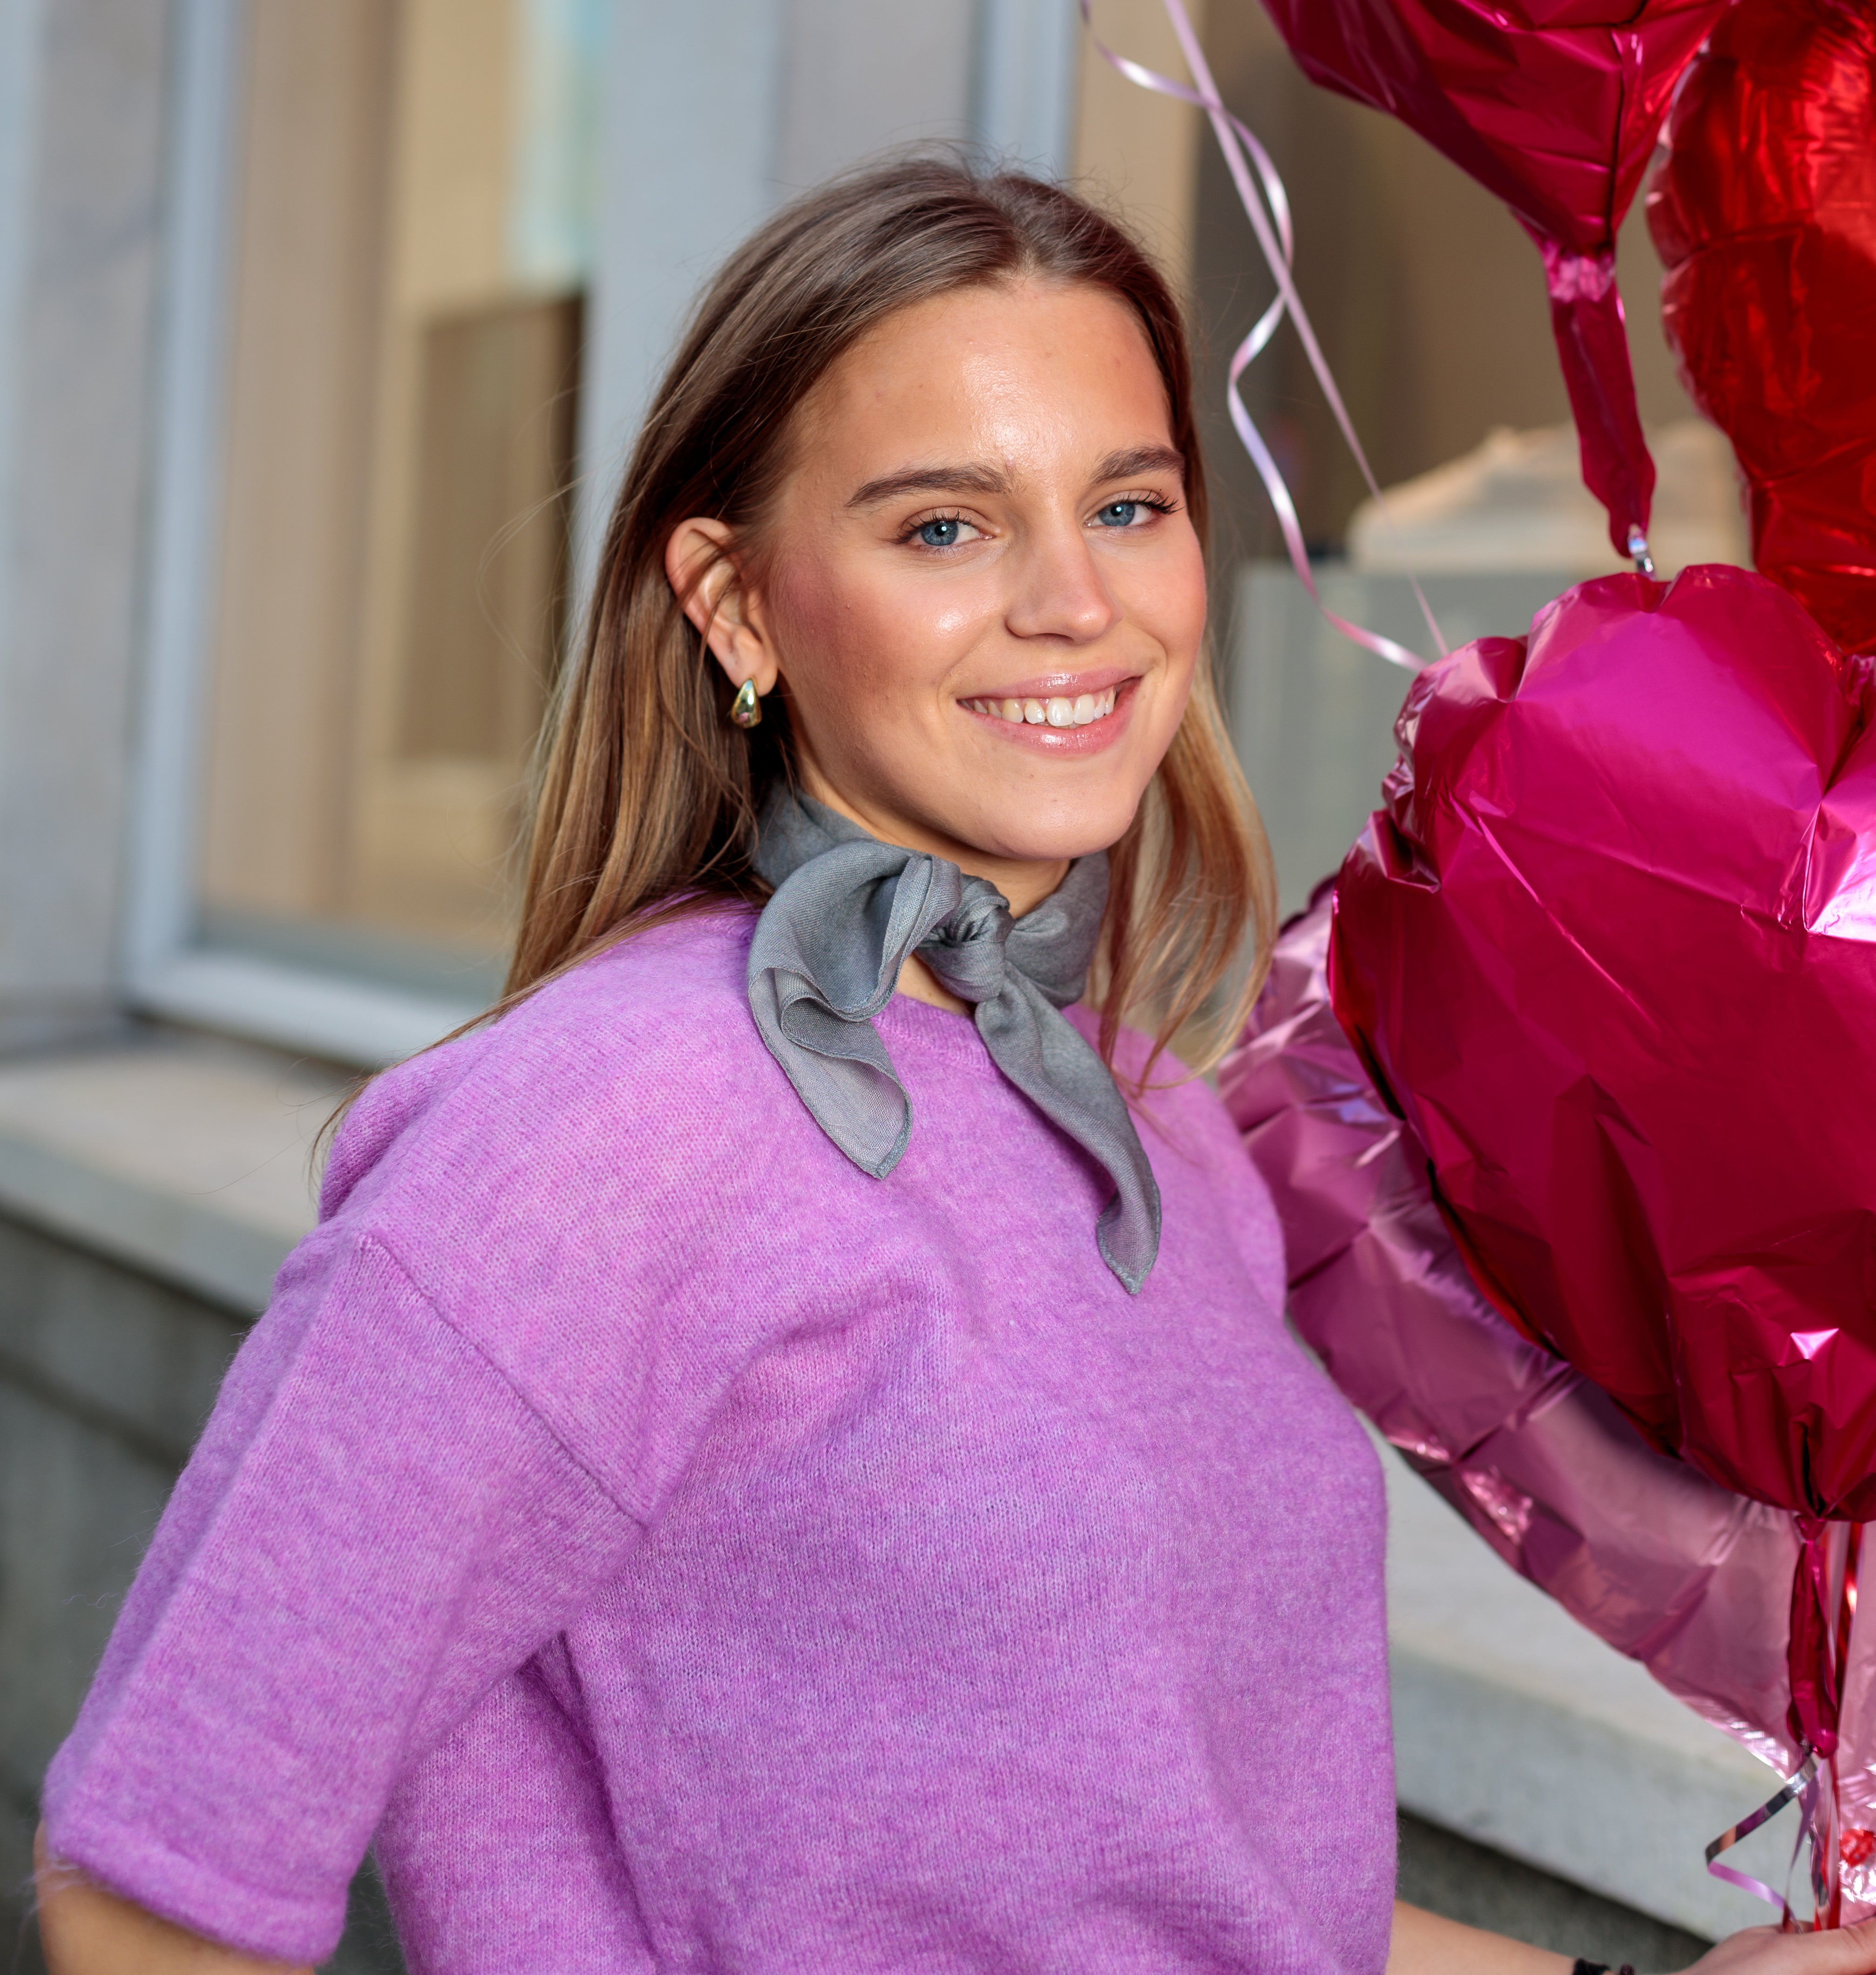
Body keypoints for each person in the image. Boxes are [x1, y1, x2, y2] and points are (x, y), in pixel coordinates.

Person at [34, 160, 1876, 1975]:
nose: (1076, 604)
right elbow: (150, 1898)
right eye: (945, 526)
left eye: (1131, 505)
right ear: (739, 604)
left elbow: (1207, 1894)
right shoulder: (592, 1137)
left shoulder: (1159, 1117)